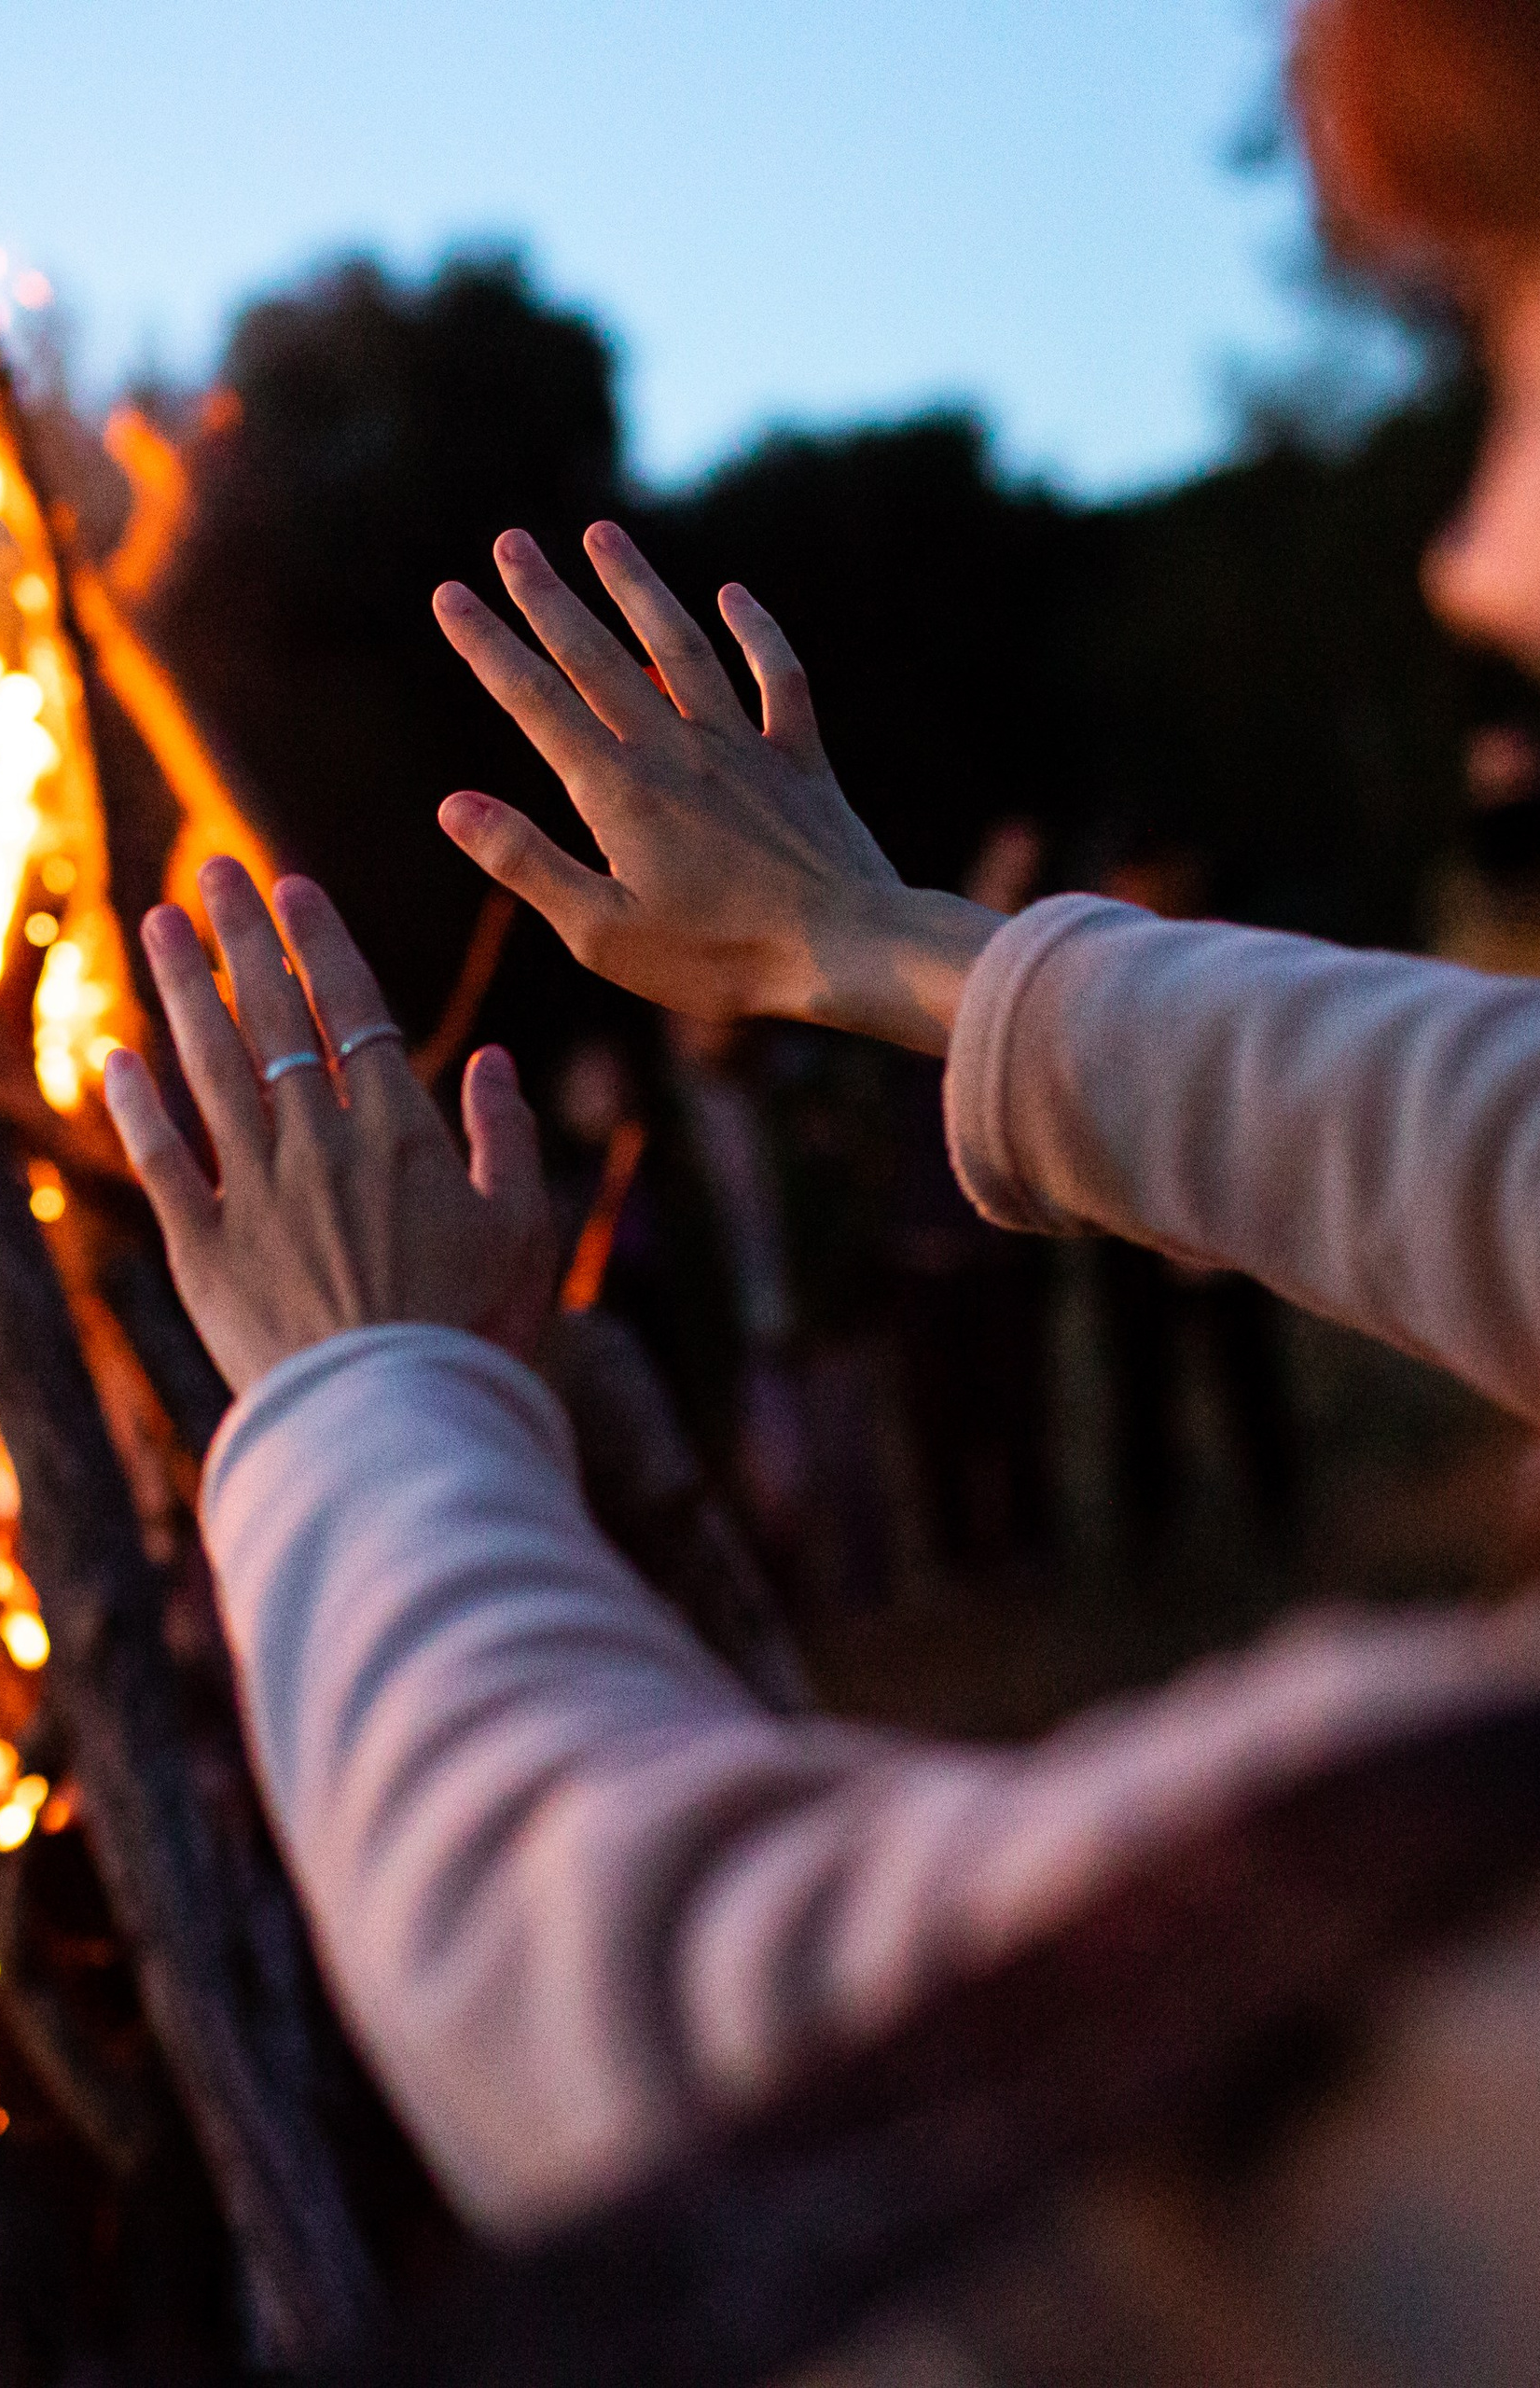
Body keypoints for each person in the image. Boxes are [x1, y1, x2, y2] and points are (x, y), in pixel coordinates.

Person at [98, 0, 1540, 2327]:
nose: (1468, 555)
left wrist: (354, 1396)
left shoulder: (1454, 1968)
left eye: (1504, 320)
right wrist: (874, 945)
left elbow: (702, 2048)